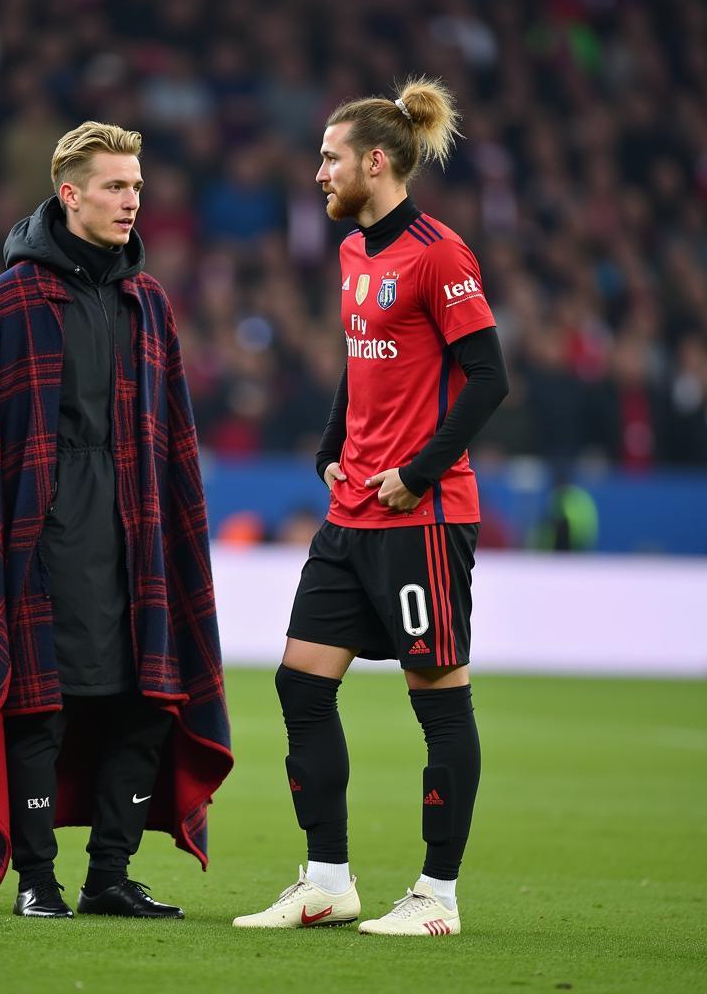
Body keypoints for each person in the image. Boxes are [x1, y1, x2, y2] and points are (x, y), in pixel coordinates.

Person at [0, 122, 232, 918]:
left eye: (139, 187)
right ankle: (37, 880)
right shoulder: (11, 299)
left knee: (148, 700)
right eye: (117, 186)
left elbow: (170, 436)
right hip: (40, 534)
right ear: (69, 193)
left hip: (137, 526)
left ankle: (109, 875)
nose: (133, 201)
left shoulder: (147, 300)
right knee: (41, 705)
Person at [233, 79, 509, 936]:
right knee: (299, 683)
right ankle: (326, 879)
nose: (318, 173)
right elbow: (364, 364)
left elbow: (488, 378)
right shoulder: (356, 254)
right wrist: (329, 444)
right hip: (351, 512)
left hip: (420, 517)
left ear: (376, 162)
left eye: (330, 158)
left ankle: (438, 896)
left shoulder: (439, 254)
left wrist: (420, 472)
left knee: (438, 697)